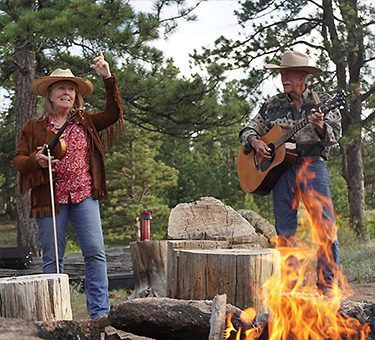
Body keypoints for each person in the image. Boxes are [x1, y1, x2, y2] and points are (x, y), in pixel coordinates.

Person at [14, 52, 123, 327]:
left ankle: (99, 313)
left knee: (95, 253)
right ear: (50, 95)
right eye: (62, 88)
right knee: (53, 258)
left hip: (84, 195)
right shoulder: (33, 128)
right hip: (51, 199)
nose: (67, 92)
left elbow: (114, 113)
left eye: (71, 89)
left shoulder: (85, 121)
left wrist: (107, 76)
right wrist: (35, 160)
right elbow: (19, 160)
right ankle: (56, 315)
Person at [239, 50, 341, 293]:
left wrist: (320, 126)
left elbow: (334, 136)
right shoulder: (272, 104)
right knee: (285, 232)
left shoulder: (322, 101)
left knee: (325, 228)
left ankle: (327, 286)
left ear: (303, 75)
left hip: (313, 165)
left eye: (289, 72)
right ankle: (289, 286)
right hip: (281, 171)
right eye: (281, 72)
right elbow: (247, 129)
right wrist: (256, 142)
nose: (283, 76)